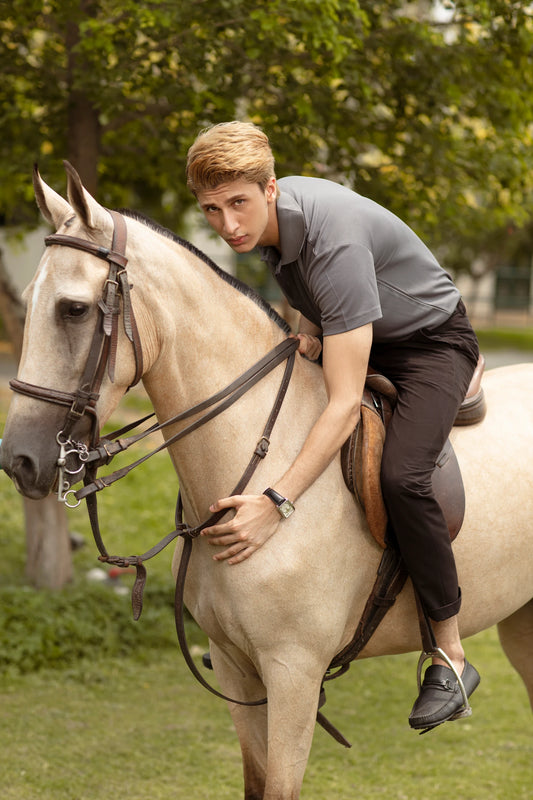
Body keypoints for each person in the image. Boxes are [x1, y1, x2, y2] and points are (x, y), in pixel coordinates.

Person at [185, 120, 481, 732]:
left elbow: (345, 405)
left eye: (238, 203)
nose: (228, 224)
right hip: (362, 333)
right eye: (212, 210)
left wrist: (276, 503)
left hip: (429, 346)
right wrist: (312, 326)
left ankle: (449, 654)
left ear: (270, 189)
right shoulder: (270, 226)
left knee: (402, 476)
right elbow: (311, 291)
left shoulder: (332, 236)